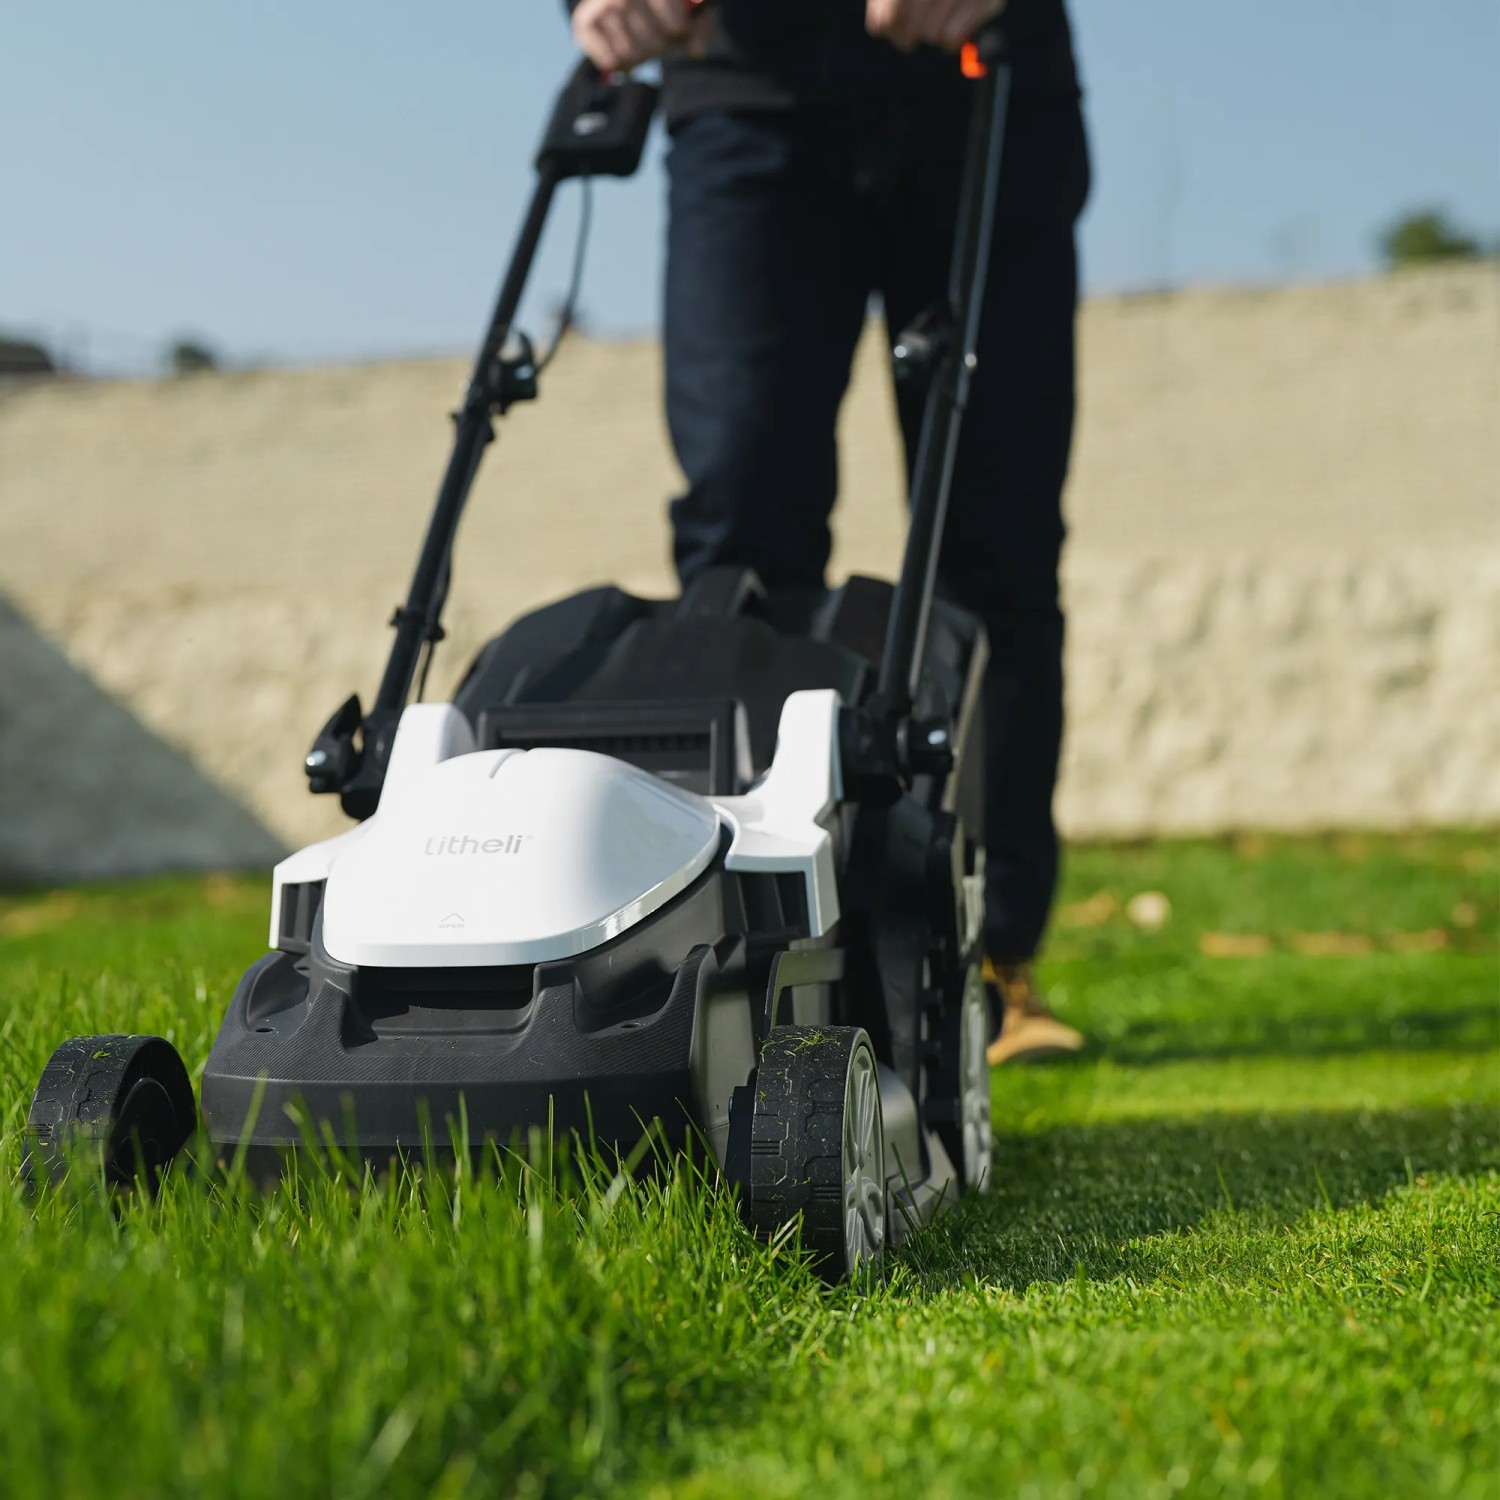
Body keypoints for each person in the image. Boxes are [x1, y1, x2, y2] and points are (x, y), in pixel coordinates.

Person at [567, 0, 1090, 1063]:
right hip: (747, 90)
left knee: (991, 541)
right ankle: (746, 955)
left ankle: (987, 962)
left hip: (980, 71)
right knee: (739, 541)